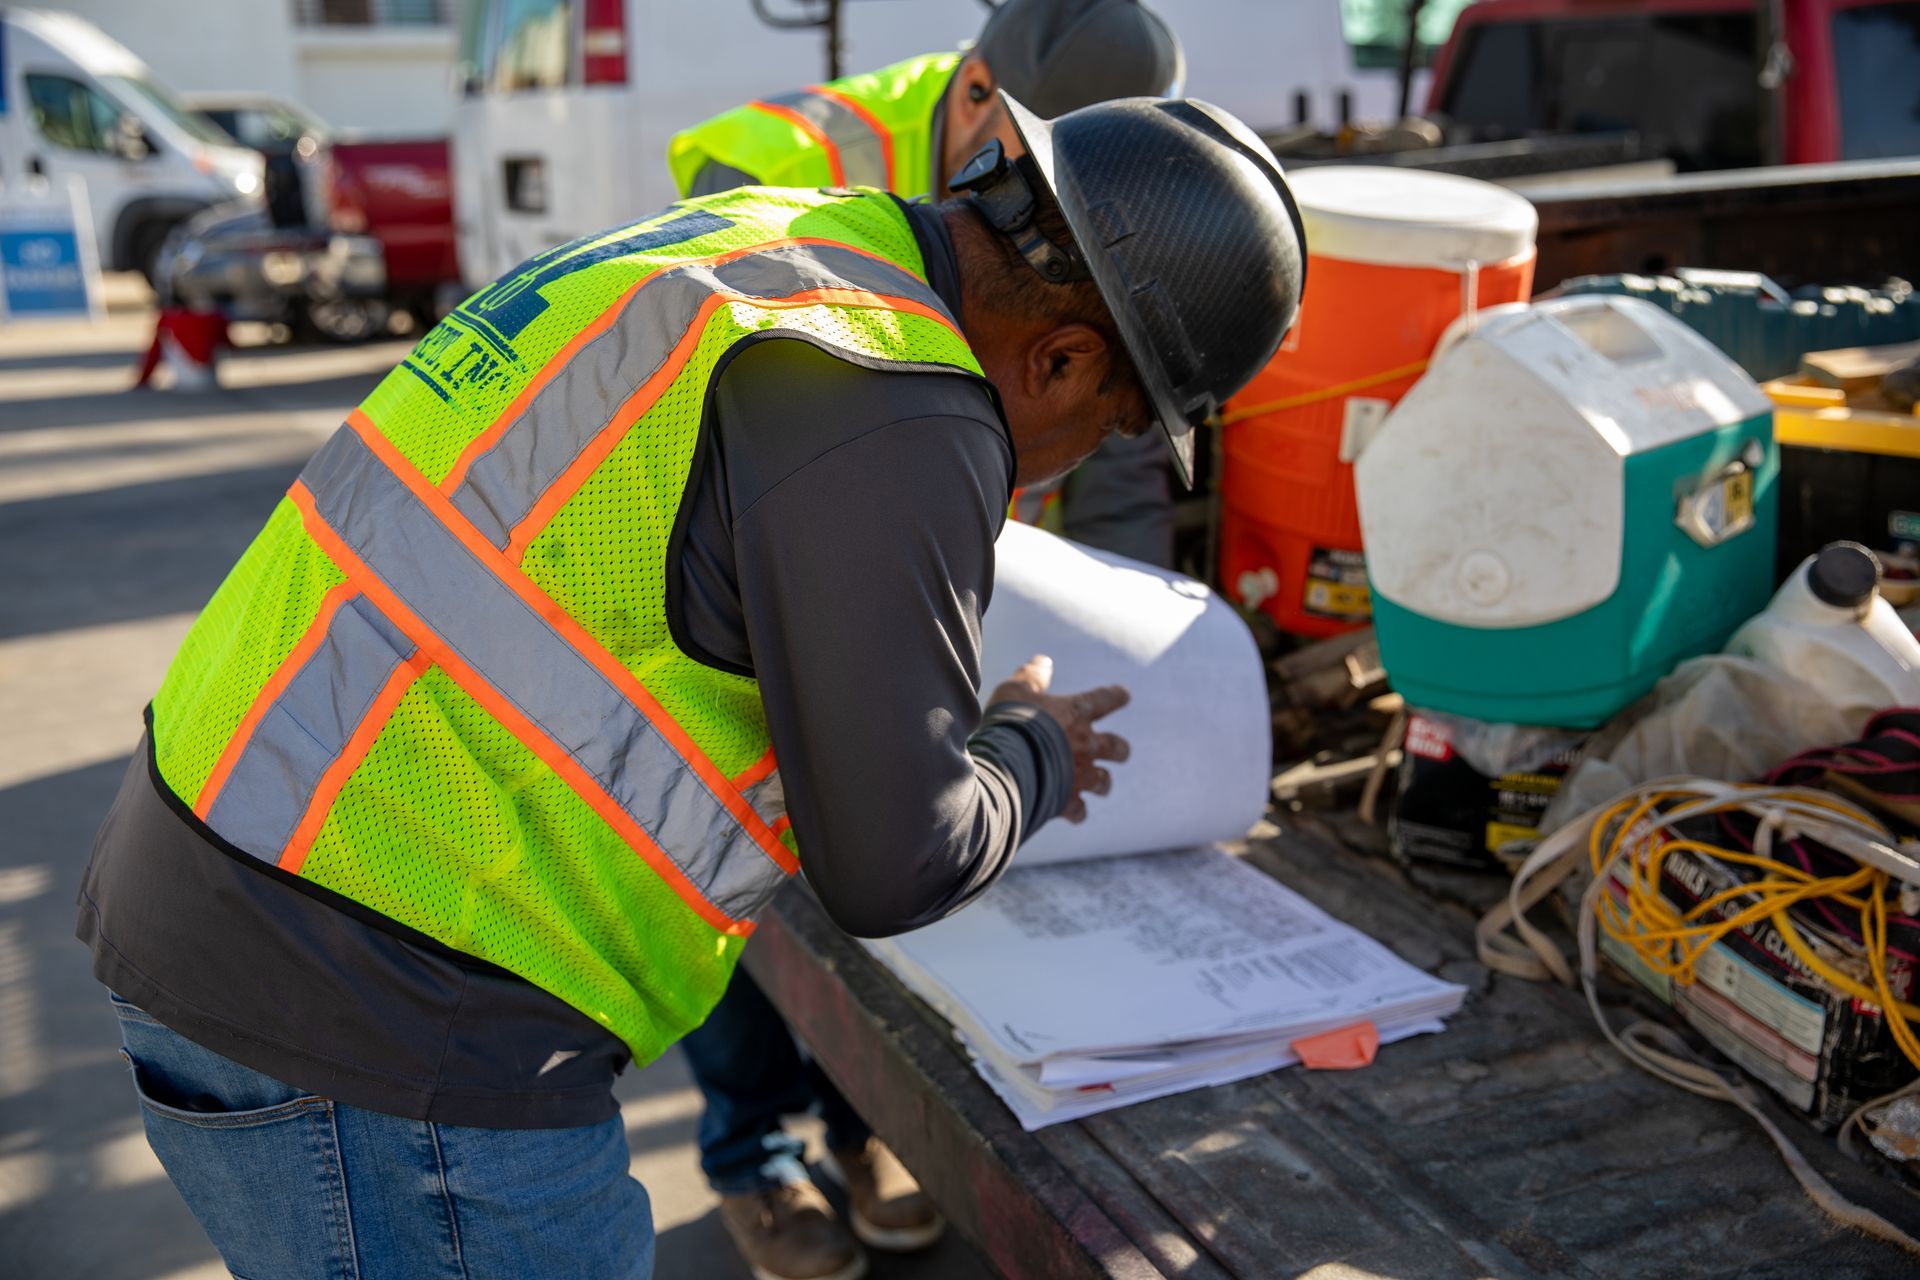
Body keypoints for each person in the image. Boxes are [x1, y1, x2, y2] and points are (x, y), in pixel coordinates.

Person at [78, 94, 1305, 1280]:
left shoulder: (790, 245)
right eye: (1116, 424)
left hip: (234, 870)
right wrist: (1035, 749)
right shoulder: (905, 400)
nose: (1083, 459)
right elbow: (895, 860)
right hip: (384, 1019)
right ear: (1063, 355)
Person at [671, 0, 1182, 569]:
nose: (1062, 222)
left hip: (1015, 578)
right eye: (1039, 173)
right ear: (976, 90)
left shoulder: (1104, 214)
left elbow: (1120, 460)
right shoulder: (779, 168)